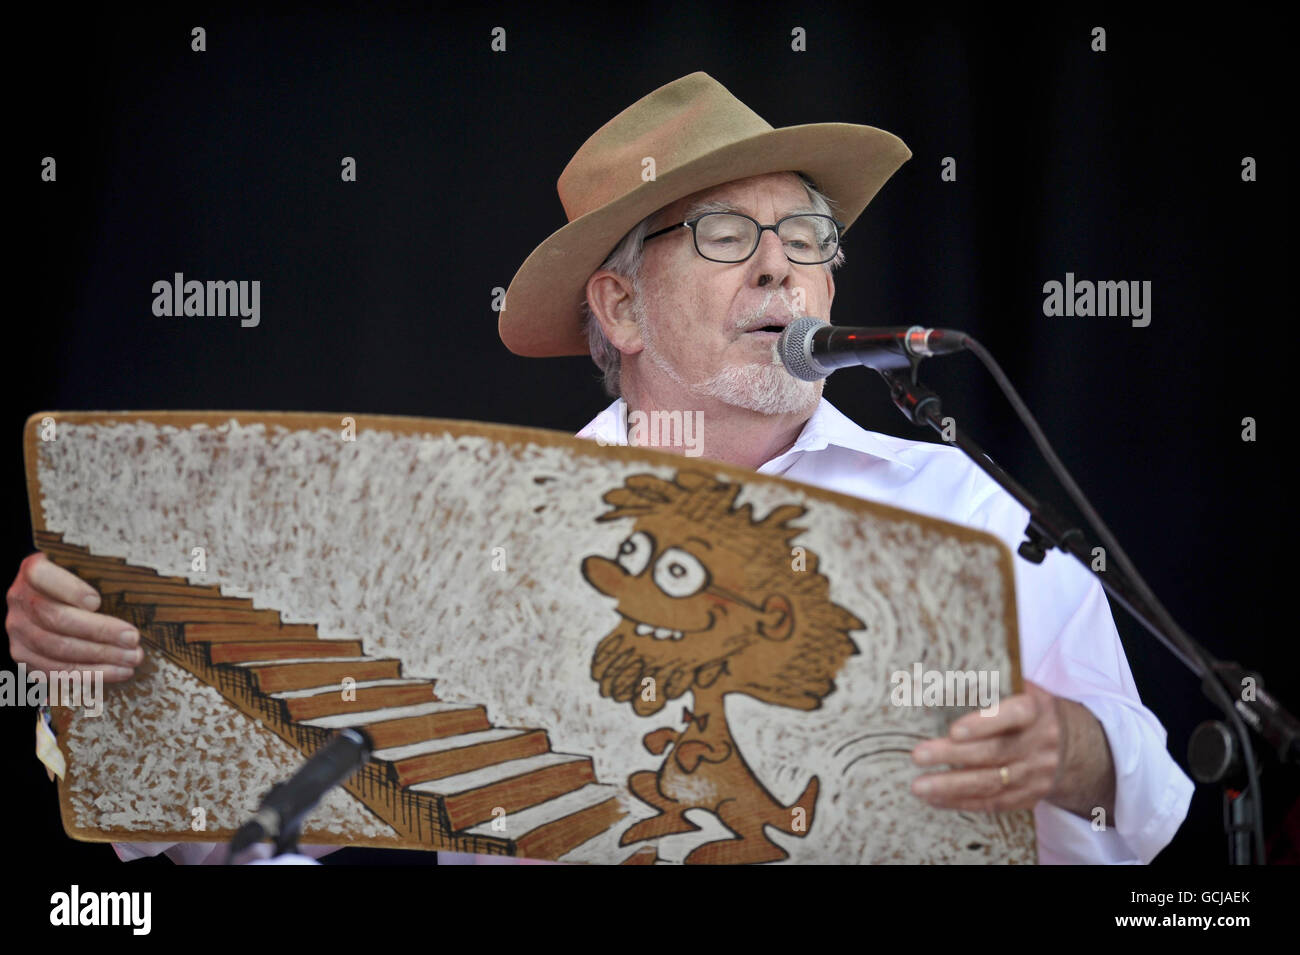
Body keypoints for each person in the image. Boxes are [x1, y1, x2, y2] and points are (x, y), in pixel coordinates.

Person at [7, 72, 1193, 865]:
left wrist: (1081, 755)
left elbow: (1147, 817)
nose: (781, 269)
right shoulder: (472, 536)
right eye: (727, 236)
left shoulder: (969, 503)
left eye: (807, 238)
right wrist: (108, 678)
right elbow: (245, 830)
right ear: (619, 306)